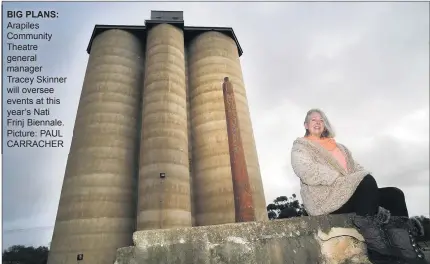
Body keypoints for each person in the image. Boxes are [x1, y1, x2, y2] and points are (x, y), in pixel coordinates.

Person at [290, 108, 427, 264]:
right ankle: (376, 248)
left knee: (394, 194)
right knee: (365, 181)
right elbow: (306, 170)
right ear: (306, 125)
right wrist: (342, 180)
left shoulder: (340, 147)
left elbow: (357, 169)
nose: (318, 123)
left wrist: (357, 183)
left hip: (349, 192)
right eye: (314, 120)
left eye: (321, 120)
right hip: (325, 198)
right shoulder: (301, 147)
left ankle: (406, 251)